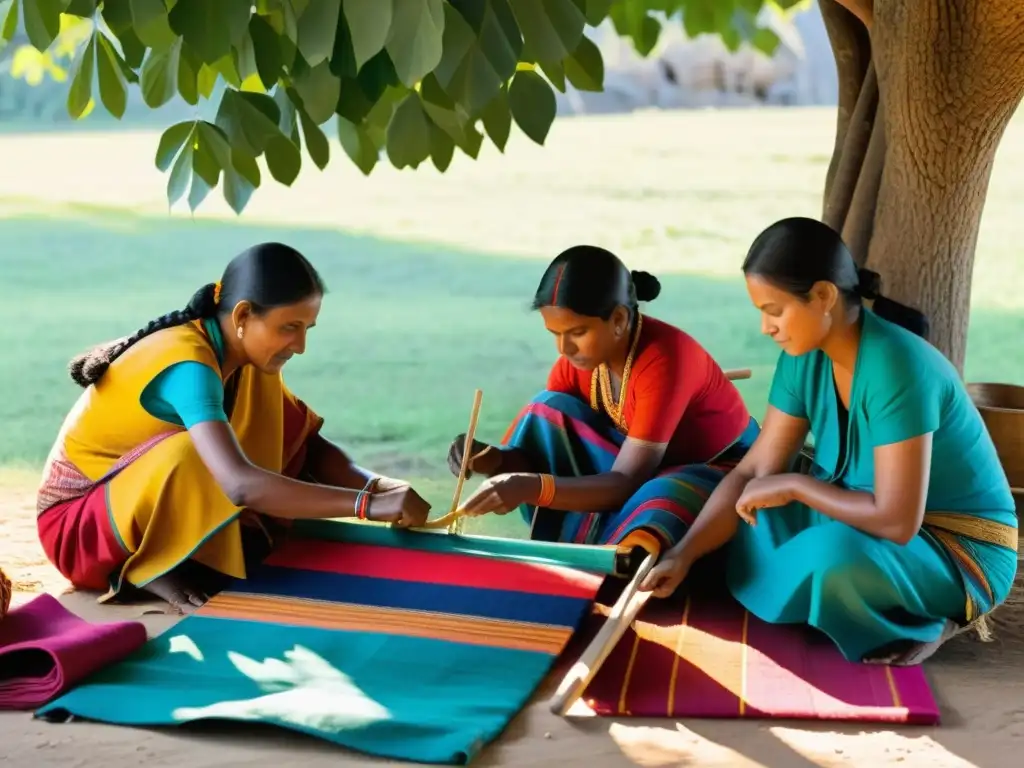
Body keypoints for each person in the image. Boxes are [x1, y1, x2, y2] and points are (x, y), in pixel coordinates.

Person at [641, 217, 1018, 664]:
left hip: (954, 547)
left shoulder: (897, 367)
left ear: (823, 296)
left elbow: (898, 521)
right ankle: (825, 599)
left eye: (774, 310)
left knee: (830, 555)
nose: (766, 327)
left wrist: (796, 486)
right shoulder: (804, 357)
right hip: (859, 516)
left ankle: (918, 624)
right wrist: (683, 555)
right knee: (750, 513)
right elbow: (752, 472)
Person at [37, 243, 432, 613]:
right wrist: (368, 507)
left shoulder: (248, 361)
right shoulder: (188, 366)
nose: (299, 346)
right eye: (288, 327)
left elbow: (305, 447)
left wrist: (379, 485)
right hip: (81, 530)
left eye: (307, 329)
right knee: (191, 454)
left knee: (249, 465)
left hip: (124, 509)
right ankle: (148, 565)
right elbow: (240, 484)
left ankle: (180, 555)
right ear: (243, 316)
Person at [445, 245, 759, 557]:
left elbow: (626, 481)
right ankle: (600, 545)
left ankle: (614, 553)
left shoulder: (666, 360)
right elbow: (541, 458)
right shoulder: (577, 363)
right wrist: (491, 460)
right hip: (637, 468)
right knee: (546, 411)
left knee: (663, 496)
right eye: (554, 333)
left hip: (717, 469)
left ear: (619, 319)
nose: (564, 348)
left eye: (577, 332)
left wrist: (529, 487)